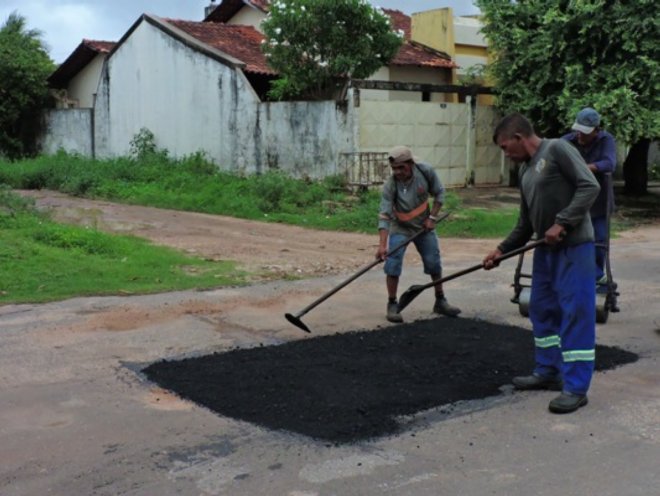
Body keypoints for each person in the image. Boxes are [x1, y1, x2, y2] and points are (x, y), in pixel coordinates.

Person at [483, 113, 600, 414]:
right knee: (542, 308)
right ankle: (548, 370)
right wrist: (501, 250)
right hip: (545, 251)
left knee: (575, 313)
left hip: (574, 248)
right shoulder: (525, 171)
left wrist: (562, 223)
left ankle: (575, 388)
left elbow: (590, 186)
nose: (505, 154)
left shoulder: (558, 149)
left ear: (519, 138)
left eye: (505, 147)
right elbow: (525, 223)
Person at [377, 145, 461, 323]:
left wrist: (432, 218)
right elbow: (384, 215)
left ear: (411, 163)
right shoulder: (390, 185)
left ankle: (440, 300)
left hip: (424, 227)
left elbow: (439, 194)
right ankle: (392, 304)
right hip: (400, 227)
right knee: (392, 263)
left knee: (433, 262)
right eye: (394, 168)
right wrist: (382, 245)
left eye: (402, 167)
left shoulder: (425, 172)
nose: (398, 172)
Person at [562, 107, 617, 288]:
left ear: (596, 130)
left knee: (599, 242)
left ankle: (597, 280)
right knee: (573, 240)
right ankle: (594, 278)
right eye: (578, 130)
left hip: (599, 203)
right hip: (575, 202)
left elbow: (609, 163)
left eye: (585, 132)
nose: (580, 135)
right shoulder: (567, 141)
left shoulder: (606, 140)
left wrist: (584, 168)